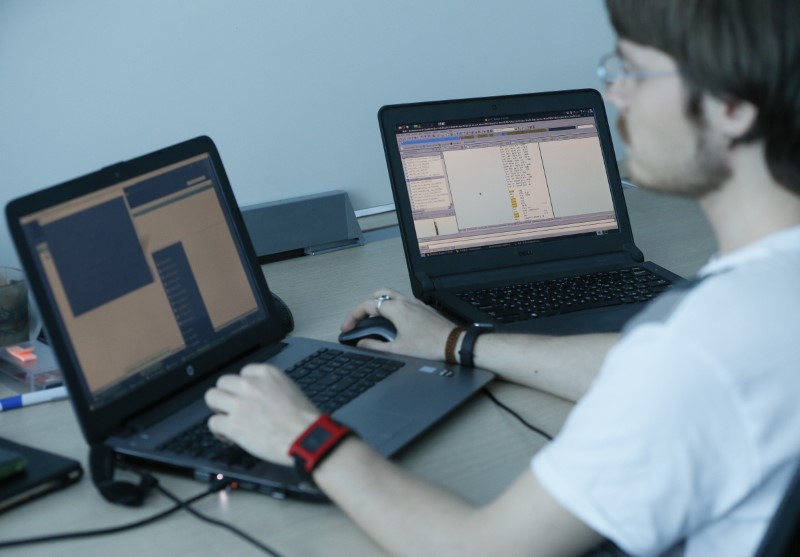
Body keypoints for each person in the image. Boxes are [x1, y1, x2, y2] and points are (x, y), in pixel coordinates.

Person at [204, 0, 800, 554]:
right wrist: (459, 342)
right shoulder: (755, 300)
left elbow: (478, 547)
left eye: (636, 72)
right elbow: (642, 366)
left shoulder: (698, 346)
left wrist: (305, 435)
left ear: (731, 108)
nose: (615, 92)